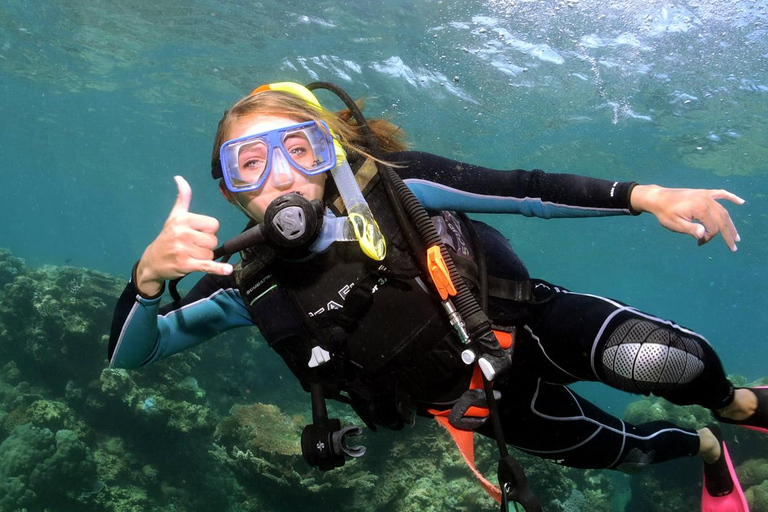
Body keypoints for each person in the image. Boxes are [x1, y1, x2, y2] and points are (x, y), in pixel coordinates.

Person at [108, 81, 765, 512]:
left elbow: (523, 189)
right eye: (248, 163)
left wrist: (643, 196)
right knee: (634, 452)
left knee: (665, 359)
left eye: (297, 149)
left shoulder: (392, 188)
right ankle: (709, 449)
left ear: (328, 154)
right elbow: (134, 356)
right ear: (230, 191)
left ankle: (737, 404)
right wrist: (147, 280)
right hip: (483, 407)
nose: (278, 175)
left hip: (530, 320)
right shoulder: (248, 283)